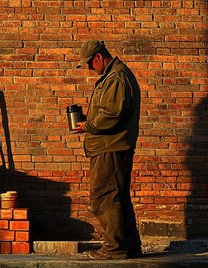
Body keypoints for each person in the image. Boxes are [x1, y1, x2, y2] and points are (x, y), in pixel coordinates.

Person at [73, 40, 142, 259]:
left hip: (109, 147)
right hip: (113, 145)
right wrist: (90, 120)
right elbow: (111, 111)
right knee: (118, 197)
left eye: (90, 64)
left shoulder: (116, 77)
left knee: (104, 197)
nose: (90, 69)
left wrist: (89, 124)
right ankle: (129, 246)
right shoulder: (115, 76)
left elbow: (112, 114)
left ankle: (114, 248)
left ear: (99, 57)